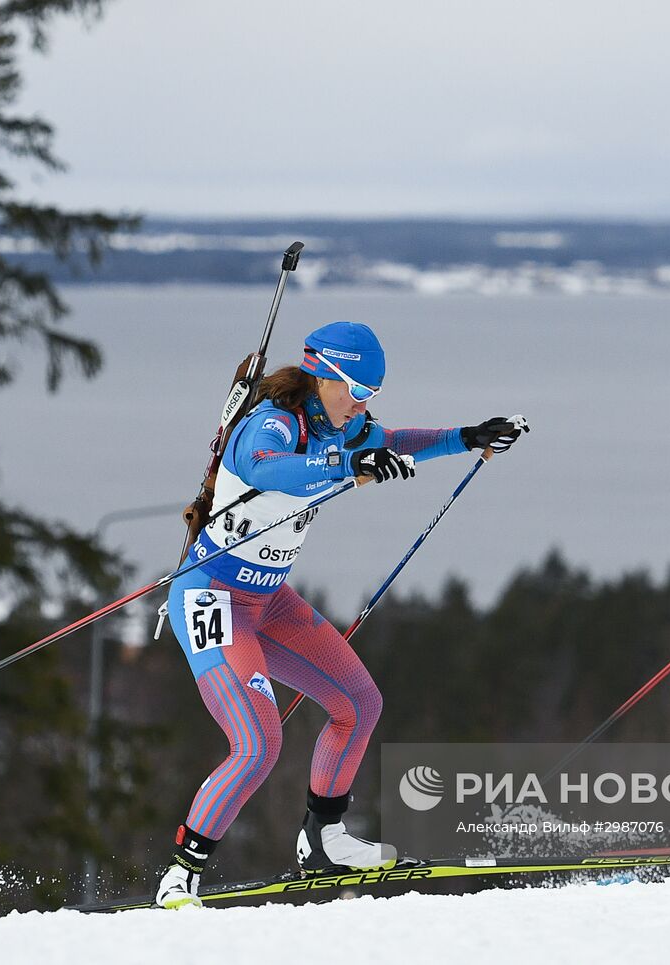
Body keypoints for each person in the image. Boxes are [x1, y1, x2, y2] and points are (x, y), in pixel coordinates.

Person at [155, 320, 527, 908]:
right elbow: (267, 469)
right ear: (322, 373)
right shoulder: (271, 422)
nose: (361, 403)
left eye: (370, 394)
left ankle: (323, 840)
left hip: (270, 601)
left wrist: (469, 435)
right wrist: (349, 470)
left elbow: (396, 441)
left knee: (358, 704)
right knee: (257, 743)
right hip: (212, 596)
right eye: (355, 388)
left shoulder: (348, 424)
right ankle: (181, 874)